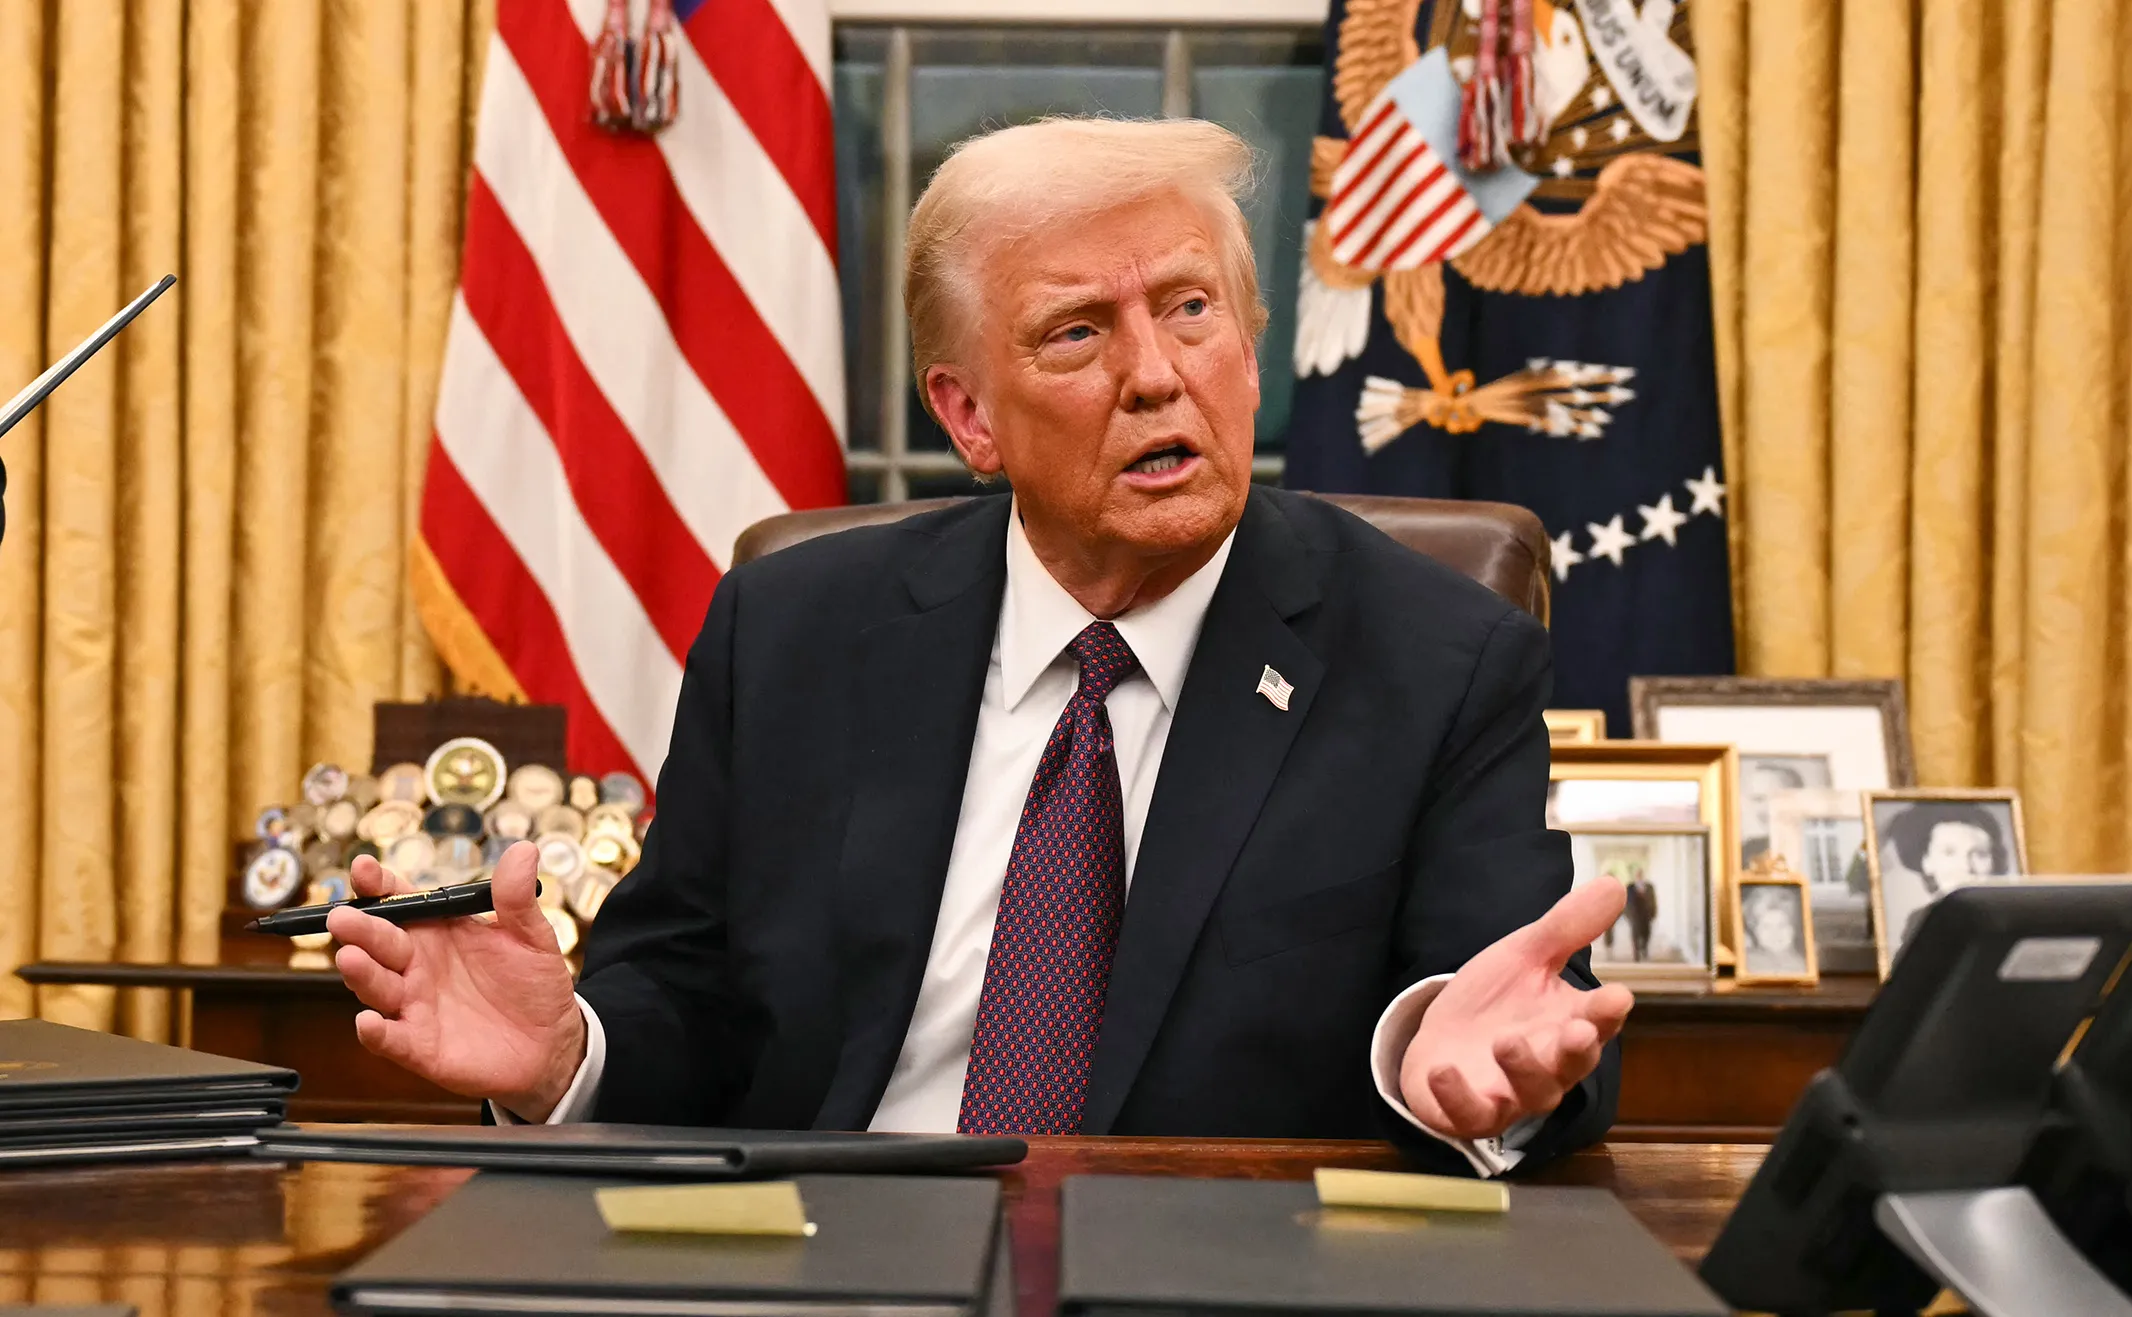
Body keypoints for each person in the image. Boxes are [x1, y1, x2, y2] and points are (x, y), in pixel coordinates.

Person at [325, 117, 1632, 1175]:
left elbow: (1512, 1011)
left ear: (1250, 348)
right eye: (1079, 332)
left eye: (1190, 310)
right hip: (836, 1259)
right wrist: (568, 1062)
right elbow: (690, 1001)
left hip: (1214, 1271)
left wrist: (1451, 1066)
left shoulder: (1435, 652)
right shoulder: (796, 629)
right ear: (968, 417)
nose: (1156, 374)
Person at [1879, 801, 2010, 954]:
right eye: (1949, 853)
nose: (1966, 866)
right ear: (1926, 861)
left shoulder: (2010, 918)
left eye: (1980, 854)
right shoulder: (1921, 921)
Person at [1739, 887, 1806, 976]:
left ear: (1792, 929)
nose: (1775, 933)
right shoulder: (1747, 962)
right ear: (1755, 931)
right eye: (1766, 926)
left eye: (1782, 925)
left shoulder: (1803, 963)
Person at [1624, 868, 1658, 961]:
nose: (1639, 876)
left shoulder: (1649, 887)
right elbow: (1626, 902)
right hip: (1635, 915)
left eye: (1640, 874)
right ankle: (1636, 953)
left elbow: (1653, 900)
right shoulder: (1630, 887)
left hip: (1646, 914)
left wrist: (1654, 912)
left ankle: (1644, 948)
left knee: (1646, 933)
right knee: (1635, 934)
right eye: (1637, 874)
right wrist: (1627, 914)